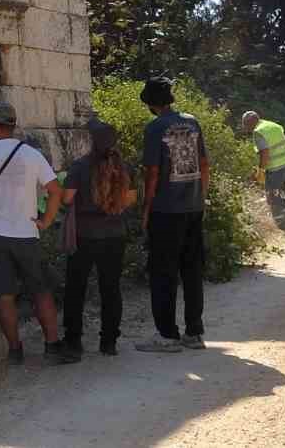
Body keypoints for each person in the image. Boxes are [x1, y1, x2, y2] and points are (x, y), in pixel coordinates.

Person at [0, 101, 79, 366]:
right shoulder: (31, 155)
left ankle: (14, 351)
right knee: (41, 291)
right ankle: (52, 347)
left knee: (4, 295)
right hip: (26, 233)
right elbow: (55, 191)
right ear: (12, 124)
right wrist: (45, 220)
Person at [136, 77, 209, 353]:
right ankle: (194, 332)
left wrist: (146, 209)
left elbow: (153, 172)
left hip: (166, 211)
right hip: (193, 208)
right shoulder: (192, 122)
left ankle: (167, 335)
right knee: (192, 270)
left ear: (150, 103)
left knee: (163, 272)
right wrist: (200, 198)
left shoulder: (155, 128)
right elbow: (204, 164)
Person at [57, 117, 135, 358]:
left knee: (76, 289)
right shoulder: (125, 167)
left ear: (92, 142)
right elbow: (130, 201)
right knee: (111, 288)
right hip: (115, 235)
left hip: (84, 235)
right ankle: (109, 342)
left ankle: (73, 342)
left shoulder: (80, 167)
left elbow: (67, 199)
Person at [241, 110, 285, 229]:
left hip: (274, 168)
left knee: (274, 196)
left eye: (246, 124)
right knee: (281, 193)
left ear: (251, 122)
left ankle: (284, 225)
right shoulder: (273, 126)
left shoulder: (258, 132)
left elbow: (265, 153)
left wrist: (261, 171)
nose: (246, 128)